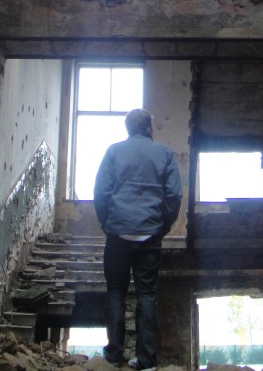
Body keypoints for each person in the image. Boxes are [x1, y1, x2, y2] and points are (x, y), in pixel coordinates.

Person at [93, 108, 182, 371]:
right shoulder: (165, 153)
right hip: (150, 233)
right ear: (149, 128)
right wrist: (162, 226)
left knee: (116, 291)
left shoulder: (113, 151)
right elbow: (174, 195)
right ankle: (146, 361)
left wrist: (106, 222)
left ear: (128, 129)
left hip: (118, 232)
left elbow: (100, 191)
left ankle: (113, 355)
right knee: (146, 293)